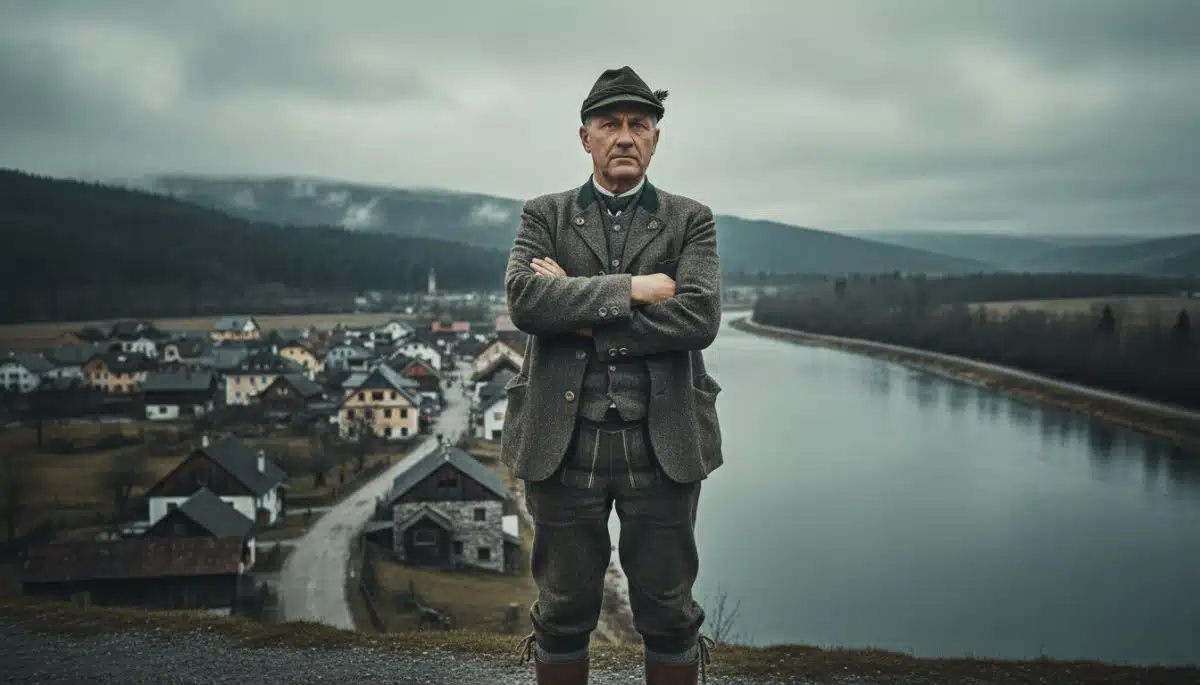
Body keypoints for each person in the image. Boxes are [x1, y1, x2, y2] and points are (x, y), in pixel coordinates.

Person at [503, 66, 723, 685]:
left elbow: (700, 316)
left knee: (669, 611)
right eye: (610, 124)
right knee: (564, 611)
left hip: (665, 444)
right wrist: (637, 289)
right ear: (585, 138)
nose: (624, 136)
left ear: (655, 139)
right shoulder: (542, 214)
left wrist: (577, 307)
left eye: (638, 125)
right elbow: (525, 301)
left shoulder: (691, 220)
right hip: (560, 441)